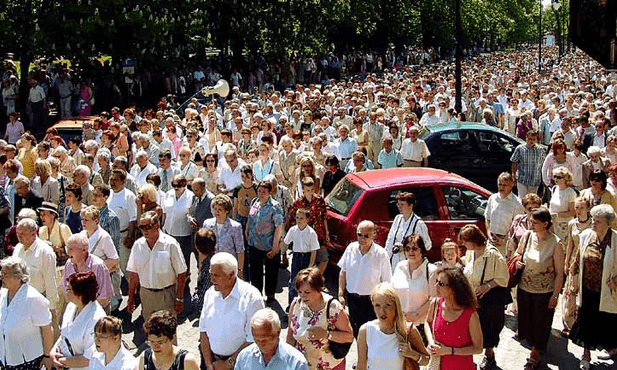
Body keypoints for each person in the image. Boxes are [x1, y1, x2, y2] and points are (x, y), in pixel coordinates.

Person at [513, 207, 564, 370]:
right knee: (527, 322)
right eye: (530, 221)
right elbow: (517, 254)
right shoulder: (527, 236)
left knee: (540, 324)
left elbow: (559, 273)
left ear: (546, 223)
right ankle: (533, 347)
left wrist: (555, 296)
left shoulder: (555, 243)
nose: (531, 224)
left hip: (544, 292)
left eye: (534, 222)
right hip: (524, 288)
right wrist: (517, 262)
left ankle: (535, 355)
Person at [569, 204, 617, 369]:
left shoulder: (616, 240)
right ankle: (586, 355)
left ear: (608, 223)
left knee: (608, 322)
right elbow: (576, 261)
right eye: (593, 220)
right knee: (586, 322)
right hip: (587, 289)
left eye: (598, 221)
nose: (593, 224)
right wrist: (573, 284)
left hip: (608, 291)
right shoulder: (586, 236)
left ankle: (612, 349)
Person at [199, 252, 265, 370]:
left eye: (217, 275)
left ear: (231, 275)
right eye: (211, 274)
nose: (212, 279)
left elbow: (254, 338)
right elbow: (203, 331)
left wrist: (229, 362)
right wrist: (209, 364)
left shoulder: (252, 298)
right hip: (212, 362)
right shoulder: (209, 294)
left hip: (242, 364)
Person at [458, 225, 509, 370]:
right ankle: (469, 357)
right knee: (471, 329)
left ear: (474, 240)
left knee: (488, 329)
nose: (464, 244)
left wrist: (487, 286)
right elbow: (468, 266)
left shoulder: (492, 255)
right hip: (473, 297)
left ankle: (489, 356)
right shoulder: (471, 252)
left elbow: (504, 277)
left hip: (490, 300)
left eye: (465, 241)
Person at [286, 267, 354, 370]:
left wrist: (326, 334)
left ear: (319, 289)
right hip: (303, 365)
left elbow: (349, 336)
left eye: (307, 292)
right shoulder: (296, 305)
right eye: (300, 292)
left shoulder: (333, 307)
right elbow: (290, 336)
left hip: (329, 366)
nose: (303, 296)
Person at [127, 211, 188, 320]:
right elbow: (134, 274)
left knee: (168, 333)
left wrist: (179, 298)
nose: (144, 231)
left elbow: (181, 272)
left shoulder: (170, 244)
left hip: (167, 295)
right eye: (141, 227)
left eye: (147, 227)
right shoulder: (137, 246)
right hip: (146, 296)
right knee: (150, 331)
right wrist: (130, 298)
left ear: (157, 225)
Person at [356, 283, 429, 370]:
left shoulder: (407, 330)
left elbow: (426, 360)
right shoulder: (366, 331)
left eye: (388, 305)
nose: (382, 312)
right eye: (377, 306)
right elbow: (361, 366)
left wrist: (412, 354)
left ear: (396, 306)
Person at [338, 220, 392, 337]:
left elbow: (387, 283)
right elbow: (343, 272)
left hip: (371, 302)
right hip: (352, 299)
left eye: (366, 236)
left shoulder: (381, 254)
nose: (362, 238)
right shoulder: (351, 249)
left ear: (374, 235)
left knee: (372, 334)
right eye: (359, 234)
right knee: (357, 333)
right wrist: (340, 294)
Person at [0, 256, 55, 370]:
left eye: (6, 275)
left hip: (28, 361)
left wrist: (47, 355)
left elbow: (47, 329)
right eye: (2, 274)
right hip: (7, 358)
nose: (2, 278)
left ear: (18, 277)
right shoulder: (3, 294)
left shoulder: (33, 298)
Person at [425, 267, 483, 370]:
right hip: (437, 366)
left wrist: (448, 351)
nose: (436, 286)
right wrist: (430, 342)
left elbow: (478, 348)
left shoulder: (470, 315)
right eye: (436, 282)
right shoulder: (435, 304)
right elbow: (427, 322)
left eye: (441, 284)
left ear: (454, 288)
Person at [50, 271, 107, 370]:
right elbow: (64, 336)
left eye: (68, 289)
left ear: (79, 294)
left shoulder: (97, 318)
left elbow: (89, 359)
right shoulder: (71, 306)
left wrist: (60, 361)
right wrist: (53, 352)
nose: (65, 291)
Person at [13, 218, 60, 319]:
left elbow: (50, 282)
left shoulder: (45, 252)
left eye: (23, 233)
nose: (19, 236)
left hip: (38, 303)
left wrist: (51, 310)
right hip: (18, 301)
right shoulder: (17, 249)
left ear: (33, 233)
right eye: (18, 233)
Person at [246, 181, 284, 302]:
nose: (261, 194)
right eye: (259, 191)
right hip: (254, 243)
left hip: (269, 244)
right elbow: (250, 218)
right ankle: (257, 295)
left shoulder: (275, 206)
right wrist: (247, 230)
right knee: (255, 271)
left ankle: (270, 295)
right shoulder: (254, 202)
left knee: (270, 272)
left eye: (264, 192)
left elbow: (279, 226)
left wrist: (275, 246)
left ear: (270, 192)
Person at [234, 308, 309, 370]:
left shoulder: (296, 362)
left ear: (278, 332)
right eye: (256, 340)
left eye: (265, 340)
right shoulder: (244, 357)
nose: (260, 345)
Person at [390, 234, 437, 326]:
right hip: (400, 322)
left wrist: (415, 315)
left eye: (414, 248)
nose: (411, 252)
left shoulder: (431, 270)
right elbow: (392, 292)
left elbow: (434, 299)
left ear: (422, 250)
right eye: (407, 249)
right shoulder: (400, 266)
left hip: (422, 324)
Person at [561, 197, 592, 336]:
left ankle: (582, 325)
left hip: (587, 262)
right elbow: (570, 244)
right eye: (577, 208)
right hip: (574, 261)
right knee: (570, 293)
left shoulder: (593, 224)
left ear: (588, 209)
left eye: (582, 208)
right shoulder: (572, 224)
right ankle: (568, 324)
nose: (579, 211)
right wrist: (566, 262)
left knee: (583, 295)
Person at [286, 176, 329, 273]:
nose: (310, 192)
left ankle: (316, 277)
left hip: (319, 232)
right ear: (303, 190)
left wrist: (326, 232)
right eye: (307, 190)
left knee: (323, 258)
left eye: (312, 189)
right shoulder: (299, 202)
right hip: (305, 234)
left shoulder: (319, 200)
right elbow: (291, 214)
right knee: (308, 260)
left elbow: (324, 217)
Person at [61, 233, 114, 309]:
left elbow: (104, 298)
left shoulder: (98, 266)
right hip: (75, 310)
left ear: (84, 249)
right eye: (67, 248)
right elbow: (65, 289)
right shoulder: (68, 264)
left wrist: (85, 310)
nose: (68, 253)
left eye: (71, 249)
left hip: (96, 311)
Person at [385, 192, 432, 271]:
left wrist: (406, 247)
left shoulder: (418, 223)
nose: (399, 207)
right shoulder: (397, 219)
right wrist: (385, 259)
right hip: (395, 262)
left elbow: (427, 245)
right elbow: (390, 240)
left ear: (411, 205)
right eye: (398, 204)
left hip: (411, 263)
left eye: (402, 204)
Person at [202, 194, 245, 274]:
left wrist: (240, 270)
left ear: (227, 211)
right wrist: (201, 266)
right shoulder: (207, 224)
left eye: (220, 209)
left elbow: (240, 250)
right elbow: (203, 248)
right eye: (215, 209)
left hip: (228, 268)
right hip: (211, 266)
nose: (217, 211)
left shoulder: (235, 227)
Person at [284, 208, 320, 304]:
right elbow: (285, 242)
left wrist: (310, 266)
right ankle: (291, 306)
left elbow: (314, 251)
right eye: (297, 218)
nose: (298, 220)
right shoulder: (293, 230)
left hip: (306, 257)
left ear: (307, 220)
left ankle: (305, 305)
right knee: (294, 282)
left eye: (301, 218)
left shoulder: (311, 233)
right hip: (296, 257)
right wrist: (282, 254)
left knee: (306, 283)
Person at [484, 173, 524, 255]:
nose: (501, 187)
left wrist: (504, 240)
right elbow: (487, 218)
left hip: (506, 244)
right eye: (500, 184)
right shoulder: (492, 198)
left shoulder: (517, 203)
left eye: (504, 185)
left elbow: (516, 226)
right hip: (491, 241)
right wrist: (489, 235)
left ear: (512, 185)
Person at [162, 175, 194, 272]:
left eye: (179, 185)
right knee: (168, 259)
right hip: (168, 232)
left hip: (183, 234)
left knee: (183, 260)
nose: (176, 188)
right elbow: (164, 212)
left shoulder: (191, 196)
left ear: (185, 185)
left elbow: (191, 213)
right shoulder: (168, 194)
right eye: (174, 185)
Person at [505, 193, 542, 259]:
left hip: (537, 260)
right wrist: (508, 257)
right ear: (524, 209)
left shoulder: (544, 224)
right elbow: (511, 240)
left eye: (536, 209)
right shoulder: (518, 220)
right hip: (519, 259)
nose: (533, 212)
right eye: (529, 209)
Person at [511, 130, 546, 198]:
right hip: (522, 179)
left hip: (534, 181)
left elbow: (543, 165)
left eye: (533, 139)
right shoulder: (520, 149)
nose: (531, 141)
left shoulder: (540, 150)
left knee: (531, 201)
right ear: (526, 138)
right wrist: (513, 175)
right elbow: (514, 162)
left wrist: (543, 178)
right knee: (522, 199)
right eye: (530, 139)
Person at [190, 228, 216, 311]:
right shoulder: (215, 260)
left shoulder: (208, 269)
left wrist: (193, 300)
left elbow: (200, 302)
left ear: (196, 247)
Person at [549, 167, 576, 243]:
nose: (556, 179)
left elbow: (572, 212)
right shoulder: (554, 189)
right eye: (555, 176)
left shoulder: (570, 193)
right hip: (553, 224)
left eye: (559, 177)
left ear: (566, 178)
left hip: (565, 226)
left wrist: (557, 215)